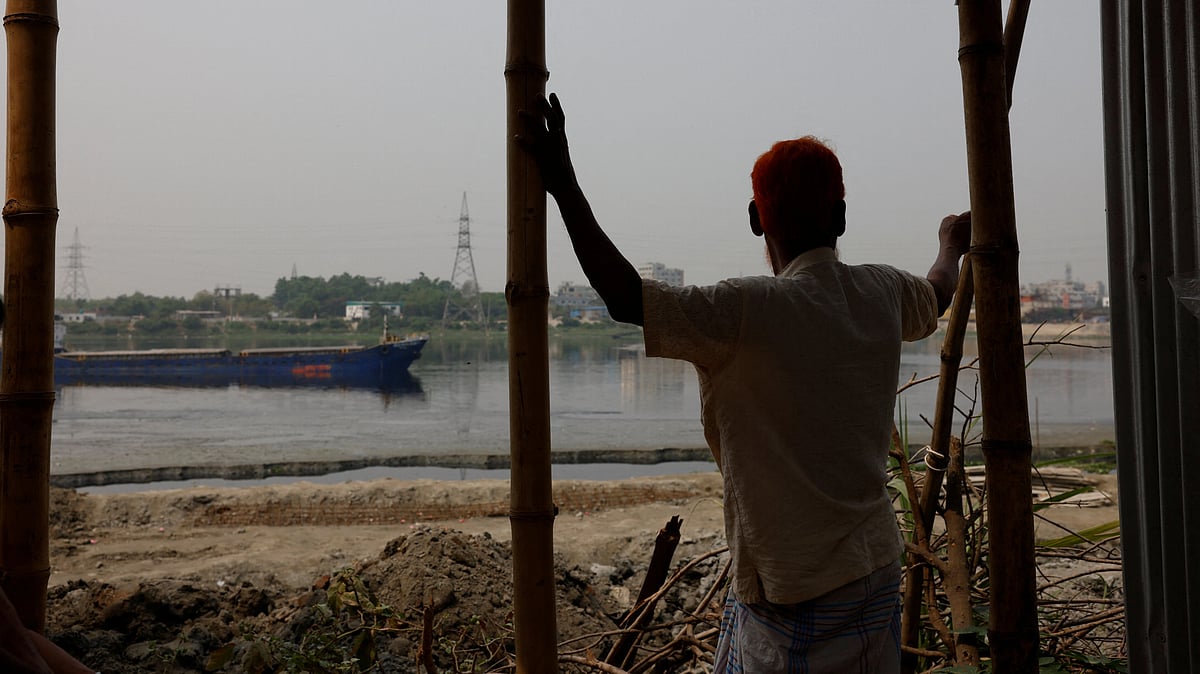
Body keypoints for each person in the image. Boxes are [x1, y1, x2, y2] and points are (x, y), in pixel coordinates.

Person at [519, 93, 971, 672]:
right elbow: (938, 289)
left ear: (757, 219)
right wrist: (951, 242)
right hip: (874, 569)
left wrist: (564, 186)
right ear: (840, 218)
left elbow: (627, 297)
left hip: (792, 593)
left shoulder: (744, 311)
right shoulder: (881, 293)